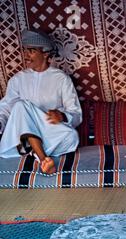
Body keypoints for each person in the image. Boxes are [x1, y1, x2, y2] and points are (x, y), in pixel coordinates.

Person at [0, 29, 82, 174]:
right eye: (25, 51)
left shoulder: (61, 78)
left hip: (48, 133)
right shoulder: (18, 79)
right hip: (20, 134)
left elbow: (76, 114)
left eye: (31, 51)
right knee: (20, 106)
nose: (25, 55)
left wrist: (62, 116)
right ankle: (43, 158)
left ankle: (32, 151)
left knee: (72, 137)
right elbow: (5, 109)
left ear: (45, 54)